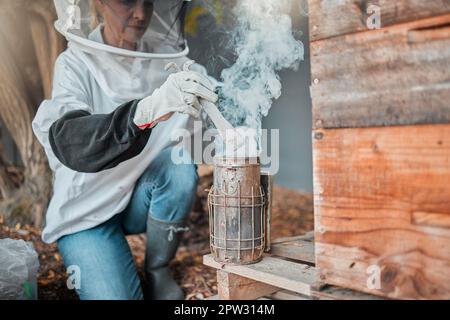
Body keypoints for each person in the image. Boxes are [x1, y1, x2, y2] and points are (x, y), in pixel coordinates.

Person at [32, 0, 217, 300]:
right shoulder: (75, 64)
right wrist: (145, 111)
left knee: (179, 167)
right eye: (128, 1)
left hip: (137, 199)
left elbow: (206, 87)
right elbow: (72, 139)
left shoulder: (165, 58)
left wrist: (217, 93)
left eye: (148, 2)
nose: (141, 14)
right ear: (98, 3)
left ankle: (158, 267)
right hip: (85, 211)